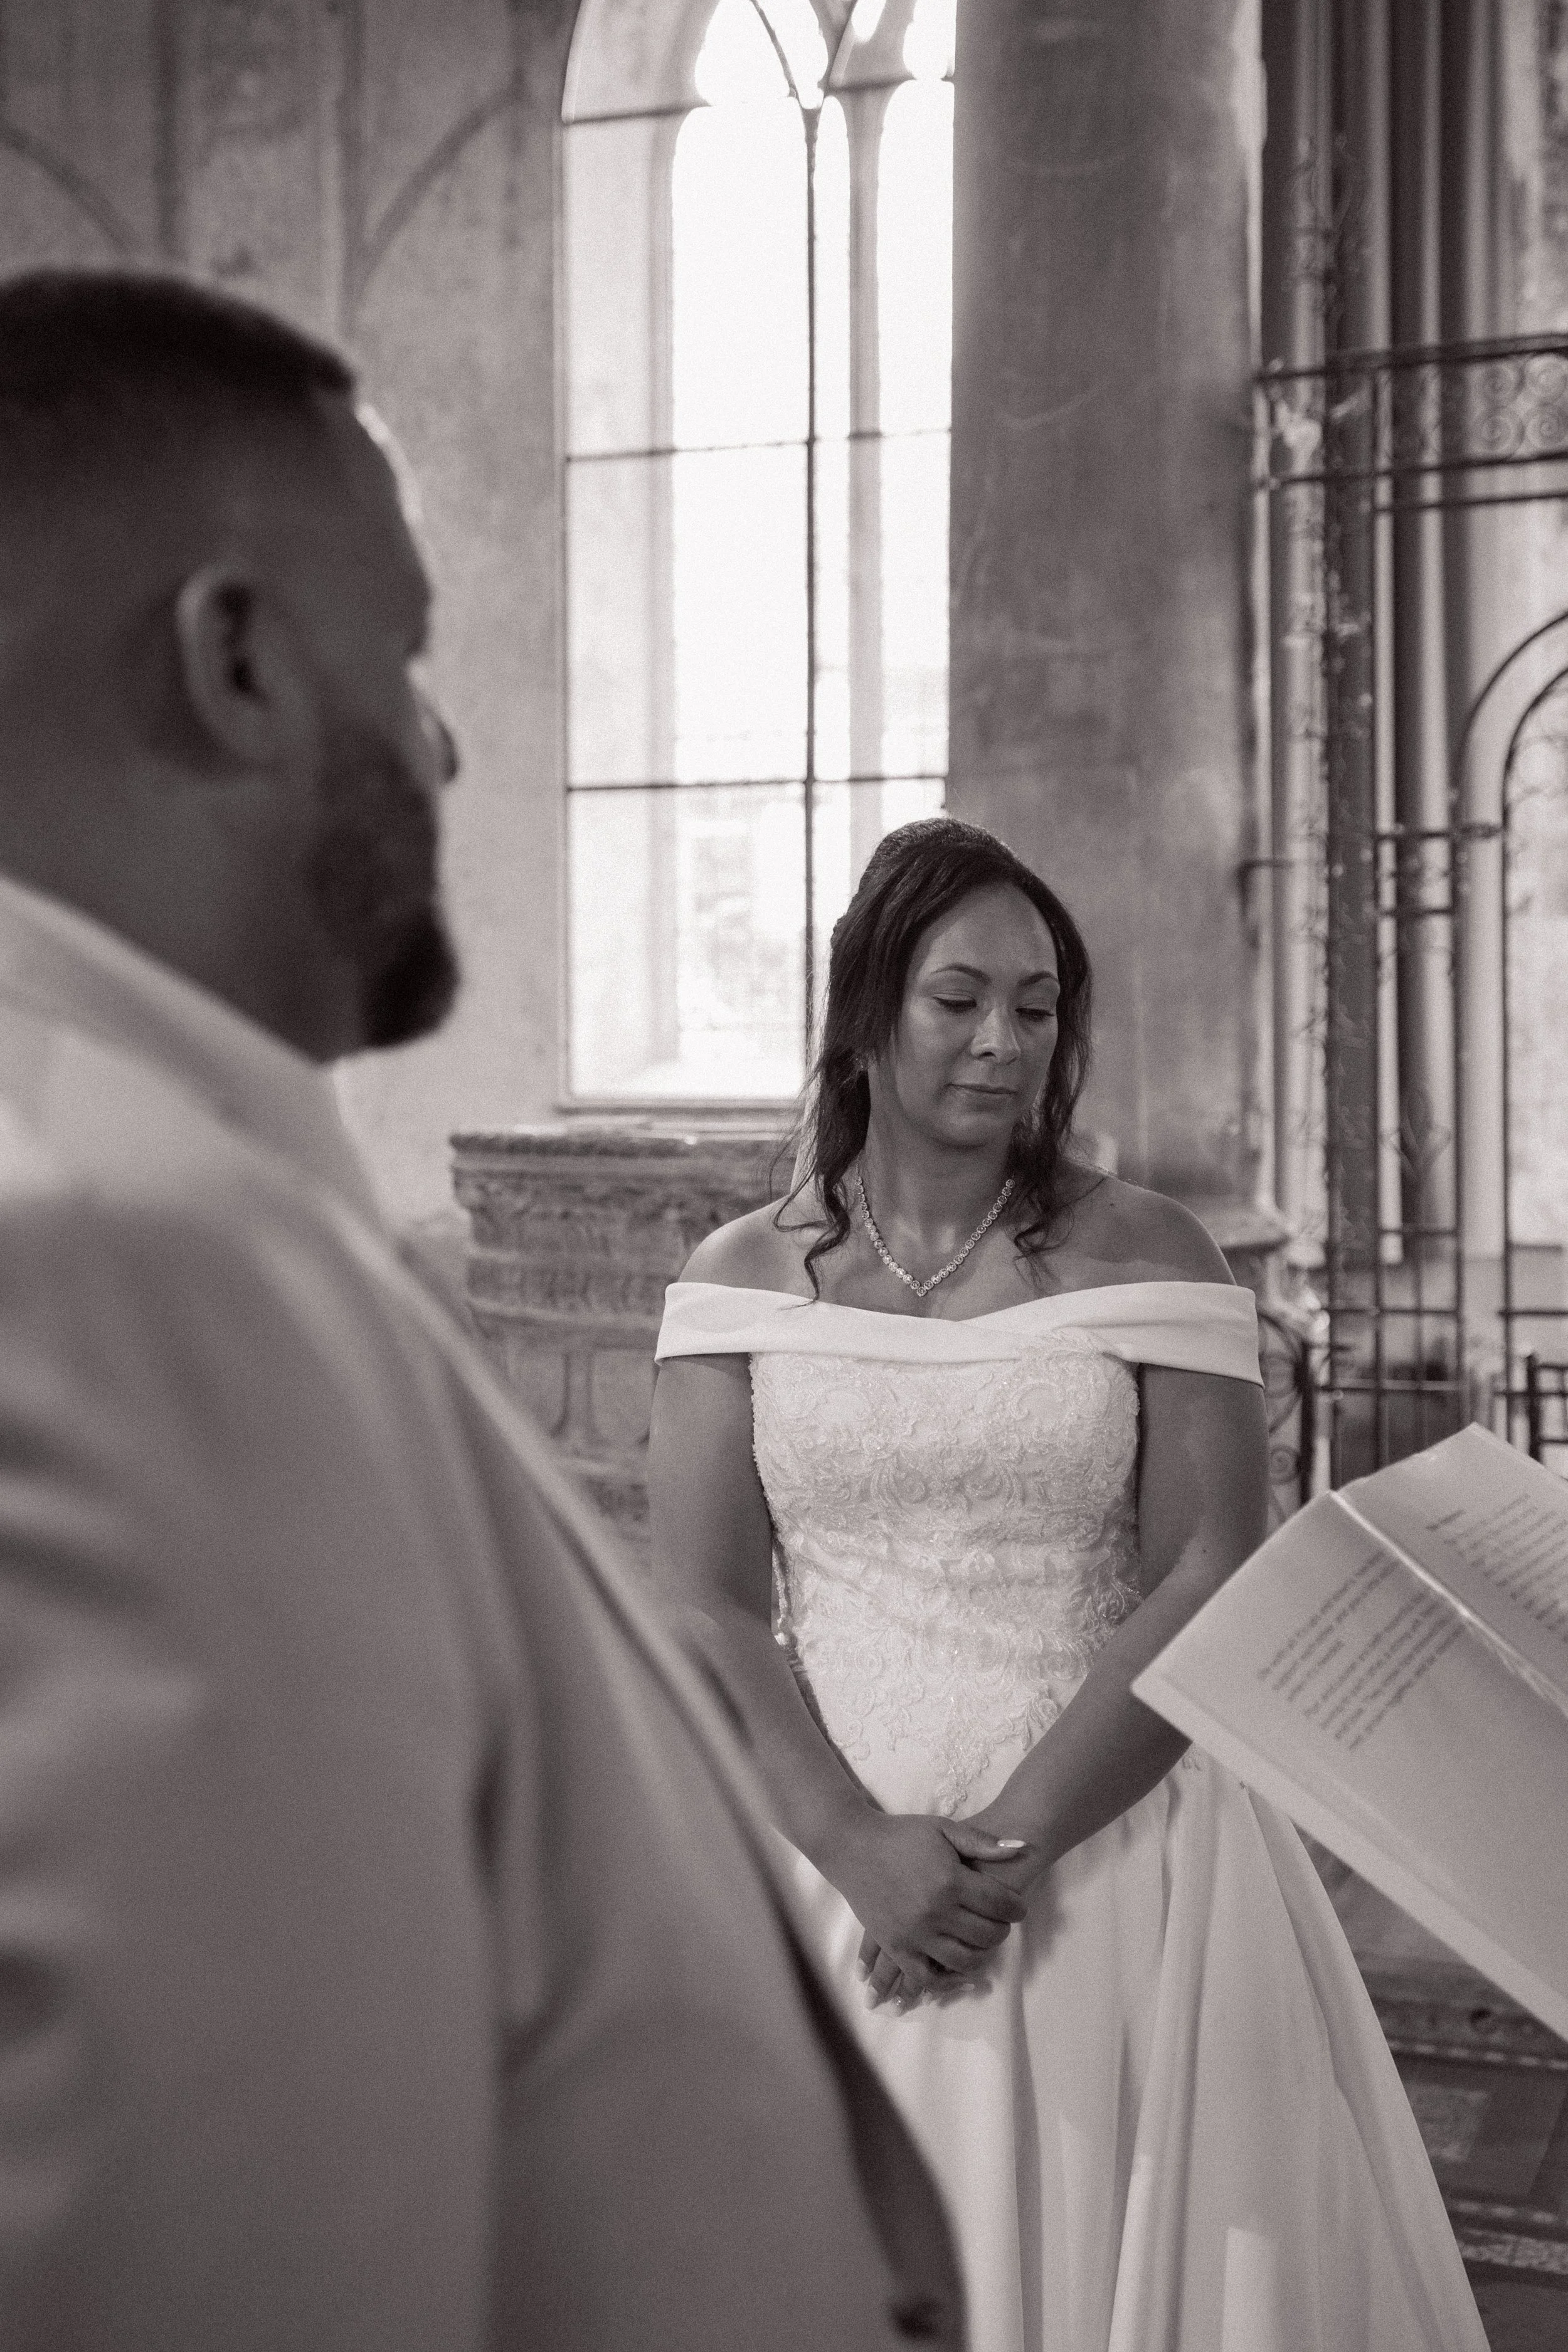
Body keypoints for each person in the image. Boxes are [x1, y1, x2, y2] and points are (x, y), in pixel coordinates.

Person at [0, 270, 963, 2352]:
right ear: (238, 660)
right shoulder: (114, 1268)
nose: (440, 738)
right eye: (410, 655)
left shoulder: (156, 1184)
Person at [650, 817, 1488, 2352]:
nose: (1000, 1042)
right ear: (864, 1010)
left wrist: (993, 1866)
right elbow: (700, 1600)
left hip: (1117, 1852)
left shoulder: (1148, 1251)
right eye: (955, 998)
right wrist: (854, 1848)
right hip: (831, 1854)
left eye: (1034, 1008)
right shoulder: (736, 1280)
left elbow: (1207, 1568)